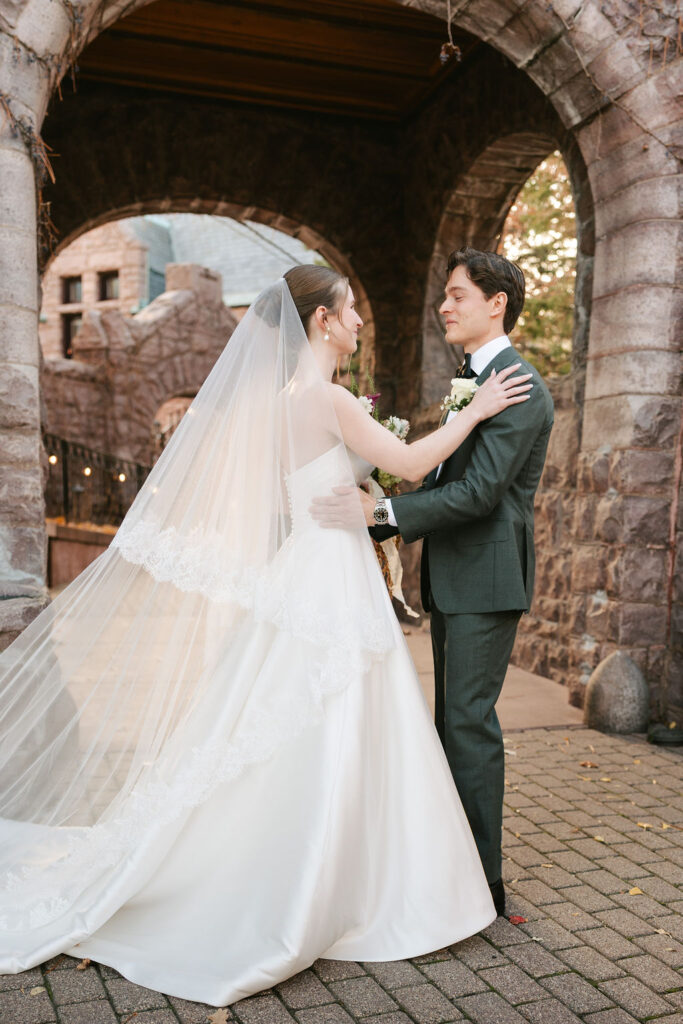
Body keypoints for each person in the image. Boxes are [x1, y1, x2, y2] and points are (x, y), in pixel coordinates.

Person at [0, 265, 531, 1007]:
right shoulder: (328, 396)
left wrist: (366, 496)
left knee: (293, 712)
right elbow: (410, 462)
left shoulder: (281, 402)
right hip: (329, 575)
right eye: (349, 312)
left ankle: (325, 861)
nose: (355, 324)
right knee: (334, 712)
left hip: (305, 566)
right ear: (320, 321)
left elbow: (316, 488)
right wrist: (475, 413)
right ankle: (352, 878)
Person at [313, 249, 554, 918]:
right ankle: (448, 869)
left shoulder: (518, 384)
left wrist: (382, 513)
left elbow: (479, 493)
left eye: (456, 295)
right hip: (454, 575)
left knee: (468, 726)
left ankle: (483, 884)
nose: (443, 307)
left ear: (495, 303)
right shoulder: (475, 382)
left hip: (485, 577)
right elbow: (444, 471)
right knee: (449, 724)